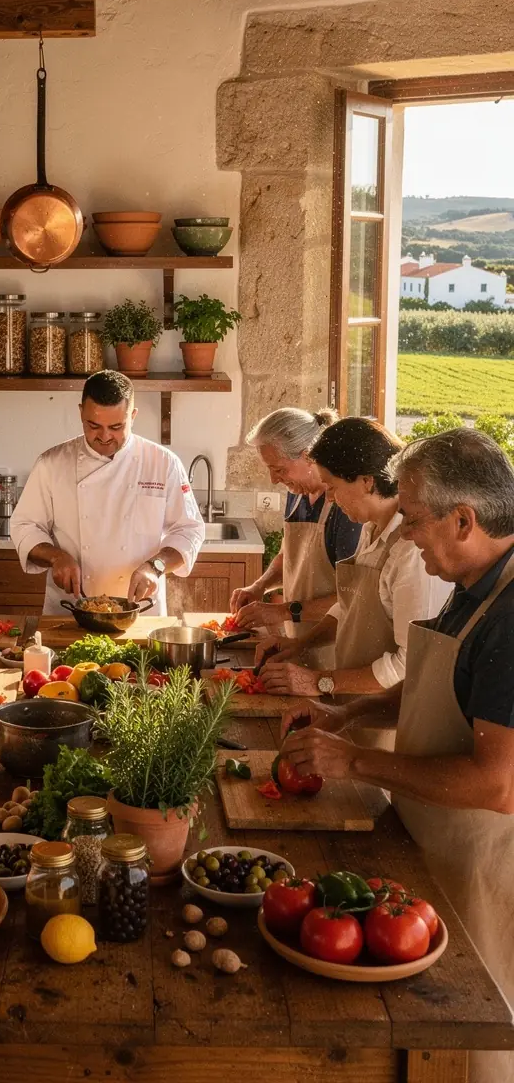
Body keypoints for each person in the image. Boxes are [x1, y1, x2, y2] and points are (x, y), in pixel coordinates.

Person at [279, 428, 514, 1083]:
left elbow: (498, 785)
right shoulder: (477, 584)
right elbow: (432, 684)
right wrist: (349, 713)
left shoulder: (512, 616)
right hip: (437, 843)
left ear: (463, 520)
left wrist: (353, 762)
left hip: (485, 864)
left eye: (412, 520)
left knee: (474, 1048)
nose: (404, 535)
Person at [257, 419, 451, 738]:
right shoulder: (371, 528)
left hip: (389, 728)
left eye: (332, 486)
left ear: (366, 481)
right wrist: (300, 644)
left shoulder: (412, 552)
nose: (330, 499)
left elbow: (408, 665)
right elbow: (350, 607)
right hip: (351, 713)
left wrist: (320, 680)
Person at [10, 369, 204, 614]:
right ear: (81, 412)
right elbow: (24, 526)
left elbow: (189, 529)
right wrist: (56, 558)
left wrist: (155, 567)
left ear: (132, 416)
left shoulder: (163, 463)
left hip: (140, 610)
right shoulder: (52, 463)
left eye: (116, 426)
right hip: (70, 609)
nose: (104, 436)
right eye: (93, 425)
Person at [231, 407, 362, 669]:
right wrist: (260, 586)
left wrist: (281, 611)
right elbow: (290, 557)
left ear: (308, 457)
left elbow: (353, 598)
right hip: (298, 642)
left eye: (279, 469)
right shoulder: (297, 493)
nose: (273, 479)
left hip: (334, 652)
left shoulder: (346, 510)